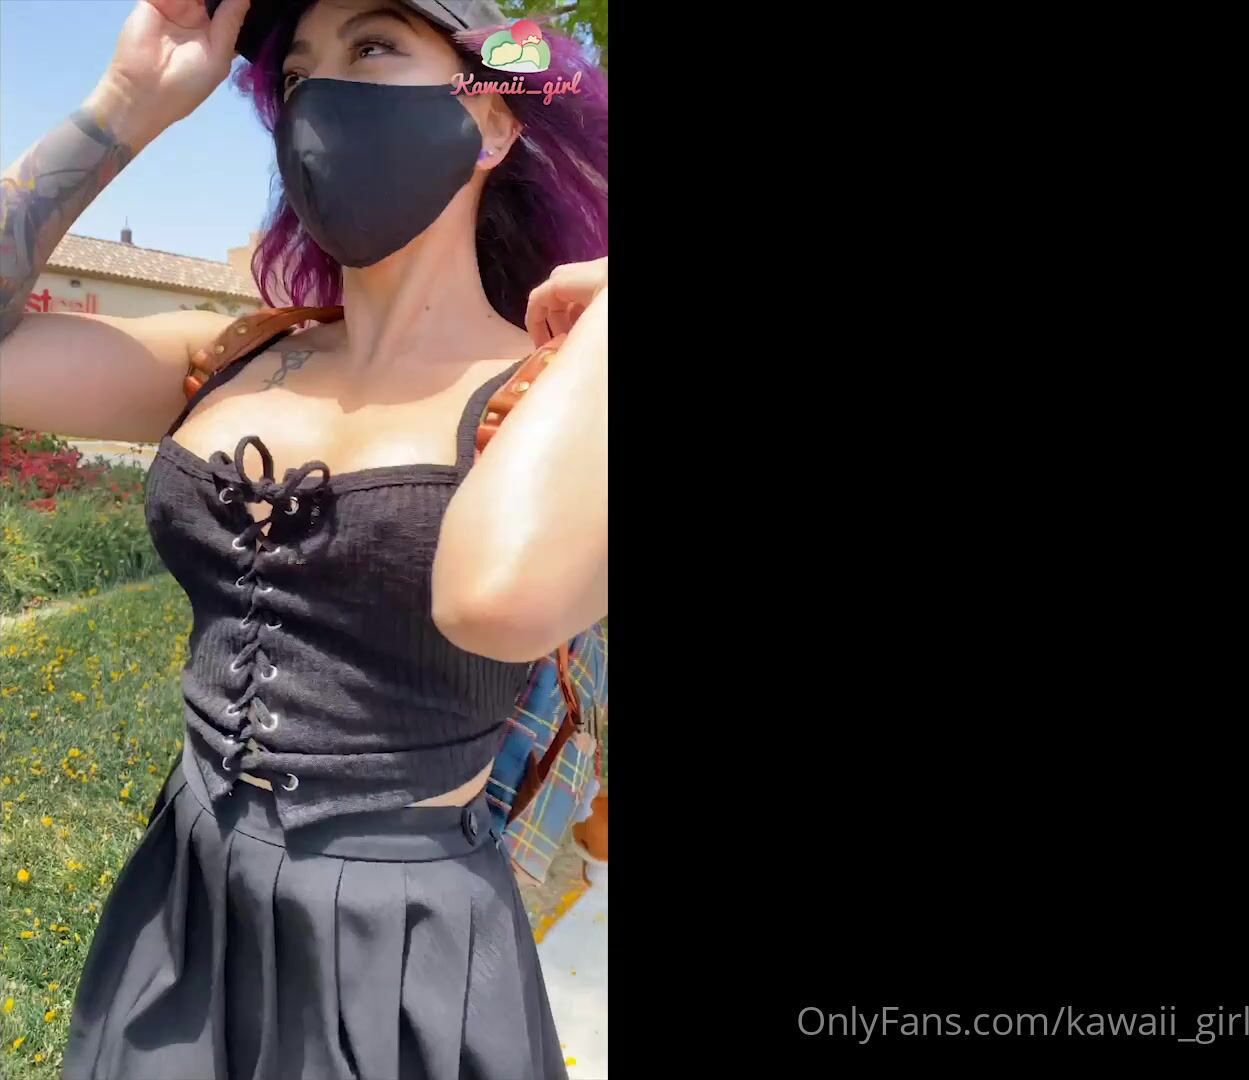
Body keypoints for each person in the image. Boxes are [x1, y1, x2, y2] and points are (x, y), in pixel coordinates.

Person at [0, 0, 607, 1075]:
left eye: (373, 47)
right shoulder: (230, 354)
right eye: (296, 76)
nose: (319, 98)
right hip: (181, 895)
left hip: (400, 944)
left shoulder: (555, 398)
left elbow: (497, 601)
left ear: (493, 121)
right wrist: (126, 105)